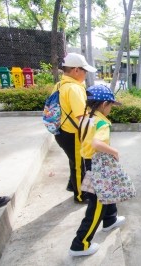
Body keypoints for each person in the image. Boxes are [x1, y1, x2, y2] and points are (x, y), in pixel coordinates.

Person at [69, 85, 125, 257]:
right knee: (97, 205)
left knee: (107, 194)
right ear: (103, 104)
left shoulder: (86, 117)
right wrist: (114, 151)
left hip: (89, 162)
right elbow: (97, 143)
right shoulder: (102, 123)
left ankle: (110, 219)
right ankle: (80, 244)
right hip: (97, 164)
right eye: (110, 106)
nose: (110, 109)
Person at [53, 52, 97, 203]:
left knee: (74, 161)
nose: (85, 74)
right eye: (84, 71)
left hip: (61, 131)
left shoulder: (60, 85)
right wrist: (93, 137)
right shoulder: (74, 88)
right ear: (76, 70)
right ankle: (80, 195)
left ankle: (73, 186)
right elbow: (82, 118)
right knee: (79, 165)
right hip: (72, 134)